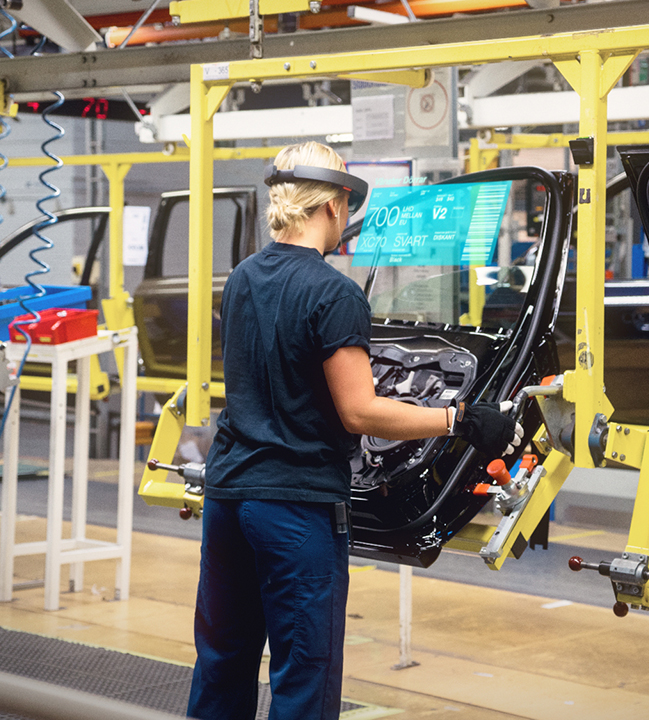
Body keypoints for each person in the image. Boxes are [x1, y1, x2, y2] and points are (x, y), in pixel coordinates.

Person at [187, 142, 521, 720]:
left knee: (222, 662)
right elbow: (360, 413)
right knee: (303, 678)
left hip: (228, 496)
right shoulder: (333, 292)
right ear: (336, 206)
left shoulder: (242, 277)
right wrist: (460, 419)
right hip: (293, 509)